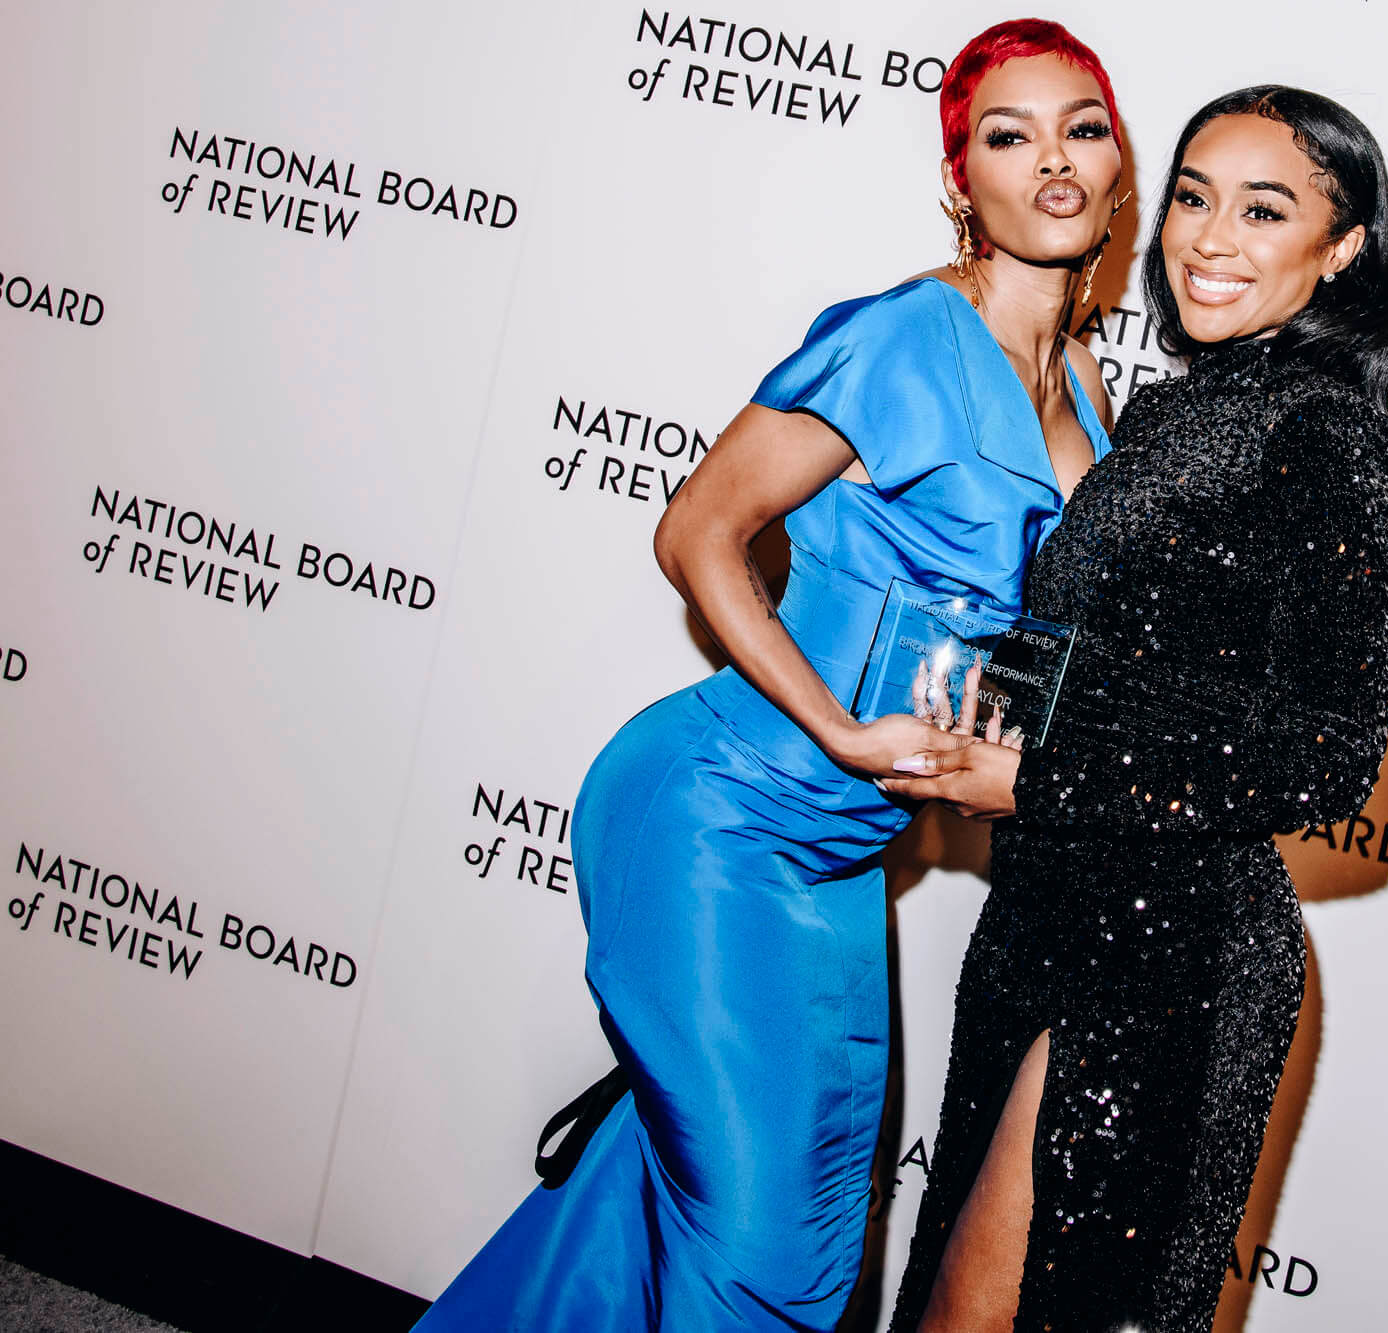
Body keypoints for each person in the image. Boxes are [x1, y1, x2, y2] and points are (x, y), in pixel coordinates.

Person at [413, 20, 1124, 1332]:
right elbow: (697, 530)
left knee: (711, 1216)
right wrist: (843, 731)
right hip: (719, 818)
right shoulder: (902, 336)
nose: (1052, 161)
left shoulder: (1079, 381)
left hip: (838, 861)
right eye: (1008, 135)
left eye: (1081, 128)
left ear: (1117, 161)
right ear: (961, 178)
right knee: (761, 1259)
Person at [881, 86, 1388, 1333]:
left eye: (1262, 210)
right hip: (1042, 916)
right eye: (1191, 198)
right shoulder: (1178, 406)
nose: (1208, 239)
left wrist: (1037, 777)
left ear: (1341, 249)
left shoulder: (1328, 438)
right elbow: (1120, 655)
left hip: (1168, 957)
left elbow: (1326, 754)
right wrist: (983, 706)